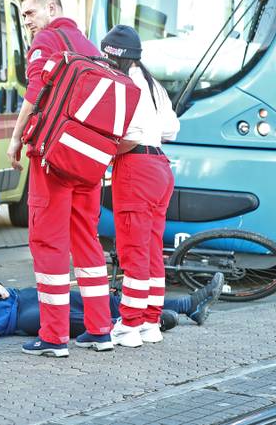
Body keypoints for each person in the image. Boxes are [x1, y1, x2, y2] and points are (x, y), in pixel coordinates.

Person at [6, 0, 115, 356]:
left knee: (48, 241)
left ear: (53, 8)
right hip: (87, 160)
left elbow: (34, 94)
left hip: (52, 158)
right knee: (87, 240)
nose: (28, 22)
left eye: (31, 12)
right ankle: (100, 328)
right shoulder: (89, 46)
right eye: (24, 16)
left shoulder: (47, 42)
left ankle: (54, 336)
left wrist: (16, 139)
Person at [100, 25, 180, 347]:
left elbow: (129, 137)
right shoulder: (153, 84)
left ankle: (129, 325)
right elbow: (171, 129)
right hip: (161, 167)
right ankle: (150, 320)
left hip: (136, 168)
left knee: (133, 250)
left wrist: (105, 151)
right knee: (151, 250)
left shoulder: (123, 85)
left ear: (113, 57)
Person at [0, 272, 225, 344]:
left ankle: (186, 305)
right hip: (19, 316)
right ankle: (151, 322)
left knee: (101, 300)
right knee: (89, 318)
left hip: (20, 296)